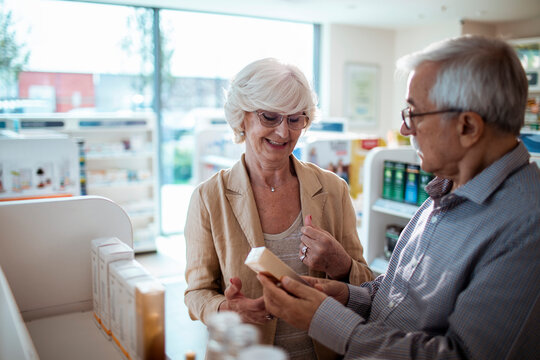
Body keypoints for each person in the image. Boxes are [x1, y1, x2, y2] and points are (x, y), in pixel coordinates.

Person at [257, 35, 540, 359]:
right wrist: (349, 298)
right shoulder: (446, 190)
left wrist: (324, 320)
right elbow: (401, 296)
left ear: (467, 127)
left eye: (414, 114)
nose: (405, 130)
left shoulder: (527, 226)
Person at [184, 58, 373, 359]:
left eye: (295, 119)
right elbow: (197, 292)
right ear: (241, 118)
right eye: (270, 117)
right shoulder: (209, 197)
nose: (284, 133)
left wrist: (341, 264)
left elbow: (369, 288)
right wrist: (225, 308)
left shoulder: (333, 189)